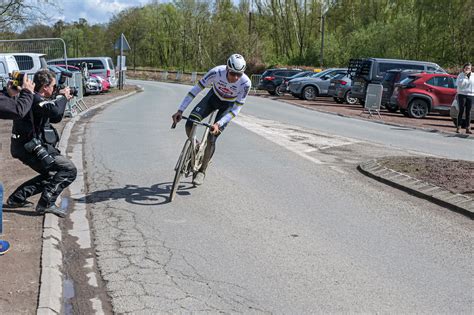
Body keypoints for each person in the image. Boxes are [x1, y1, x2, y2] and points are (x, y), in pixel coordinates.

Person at [4, 69, 77, 218]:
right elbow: (55, 111)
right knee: (69, 170)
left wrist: (61, 98)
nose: (55, 89)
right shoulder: (34, 99)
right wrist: (62, 97)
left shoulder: (38, 99)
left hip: (27, 145)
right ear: (45, 86)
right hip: (29, 147)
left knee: (51, 174)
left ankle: (16, 198)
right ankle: (45, 204)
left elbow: (55, 117)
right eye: (53, 86)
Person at [171, 54, 251, 185]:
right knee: (190, 123)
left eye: (239, 74)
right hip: (212, 98)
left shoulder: (246, 83)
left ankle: (202, 170)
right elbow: (195, 90)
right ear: (227, 68)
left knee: (211, 138)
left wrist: (219, 124)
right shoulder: (216, 72)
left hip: (228, 105)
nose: (235, 77)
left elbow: (236, 109)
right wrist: (180, 110)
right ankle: (196, 146)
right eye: (232, 73)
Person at [456, 62, 473, 134]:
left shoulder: (473, 75)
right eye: (466, 68)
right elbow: (460, 85)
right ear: (464, 69)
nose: (467, 69)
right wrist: (465, 76)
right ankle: (458, 127)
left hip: (471, 95)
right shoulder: (460, 75)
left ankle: (468, 128)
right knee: (461, 111)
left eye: (469, 68)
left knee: (468, 112)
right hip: (462, 94)